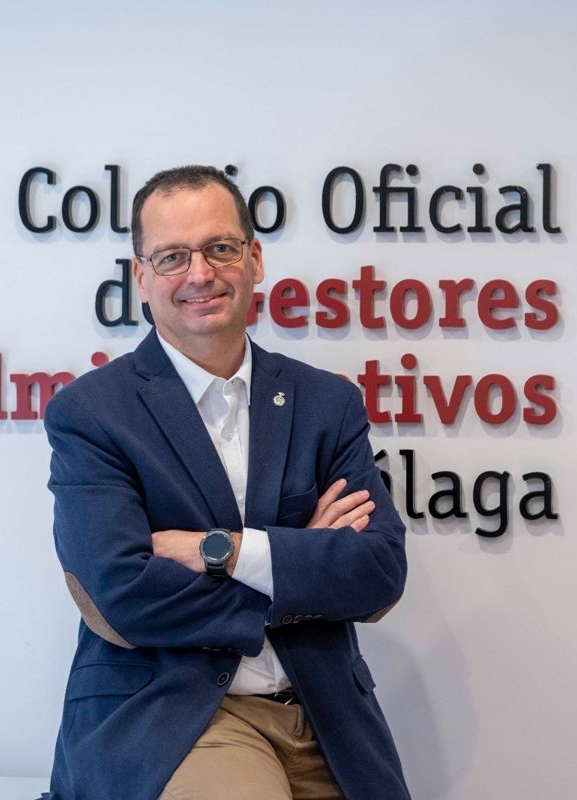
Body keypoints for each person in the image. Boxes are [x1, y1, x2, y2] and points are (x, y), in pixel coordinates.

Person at [44, 165, 409, 799]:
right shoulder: (93, 412)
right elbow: (121, 593)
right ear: (140, 277)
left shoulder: (326, 404)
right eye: (172, 257)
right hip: (173, 718)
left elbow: (378, 571)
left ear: (254, 259)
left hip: (326, 716)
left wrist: (226, 552)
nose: (200, 274)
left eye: (220, 248)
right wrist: (299, 562)